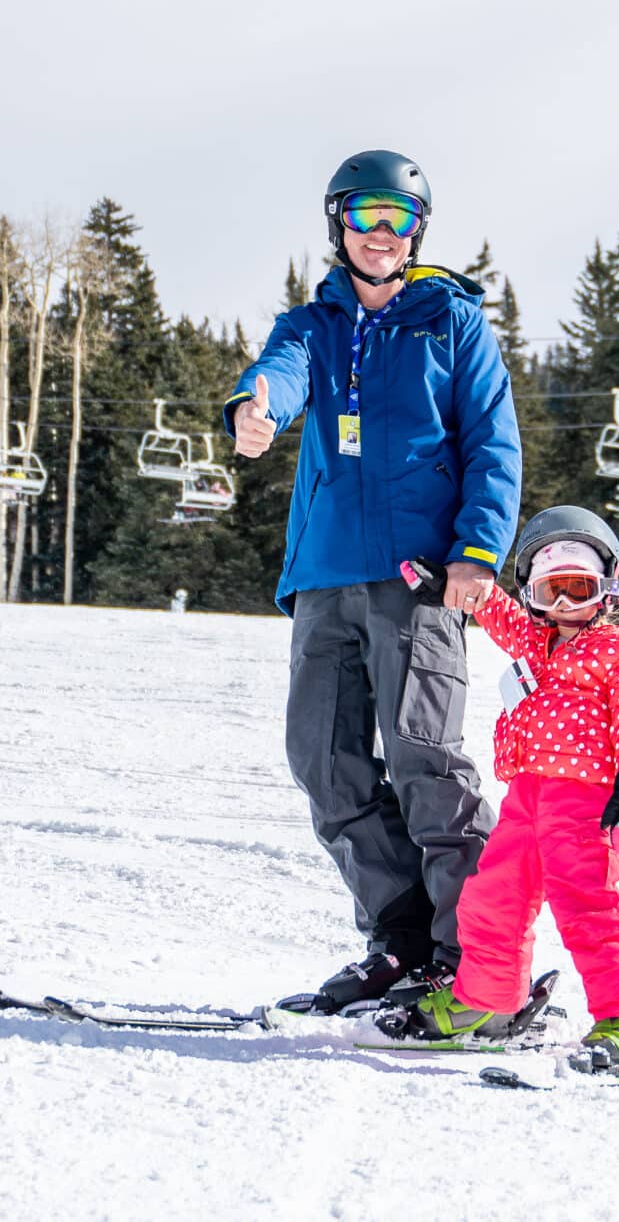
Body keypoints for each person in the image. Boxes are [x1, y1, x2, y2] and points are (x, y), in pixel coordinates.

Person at [226, 149, 523, 1010]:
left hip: (421, 580)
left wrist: (476, 552)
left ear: (417, 231)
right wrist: (258, 409)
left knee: (426, 756)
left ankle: (475, 956)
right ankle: (400, 938)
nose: (382, 234)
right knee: (323, 760)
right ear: (339, 224)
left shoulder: (451, 323)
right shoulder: (311, 326)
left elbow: (492, 443)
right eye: (366, 216)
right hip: (325, 575)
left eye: (398, 219)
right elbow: (281, 376)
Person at [387, 506, 619, 1071]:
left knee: (588, 905)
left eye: (581, 588)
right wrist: (452, 587)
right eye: (553, 592)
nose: (567, 606)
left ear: (611, 588)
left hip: (588, 801)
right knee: (491, 897)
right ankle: (487, 1002)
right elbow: (495, 610)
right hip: (527, 798)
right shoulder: (536, 640)